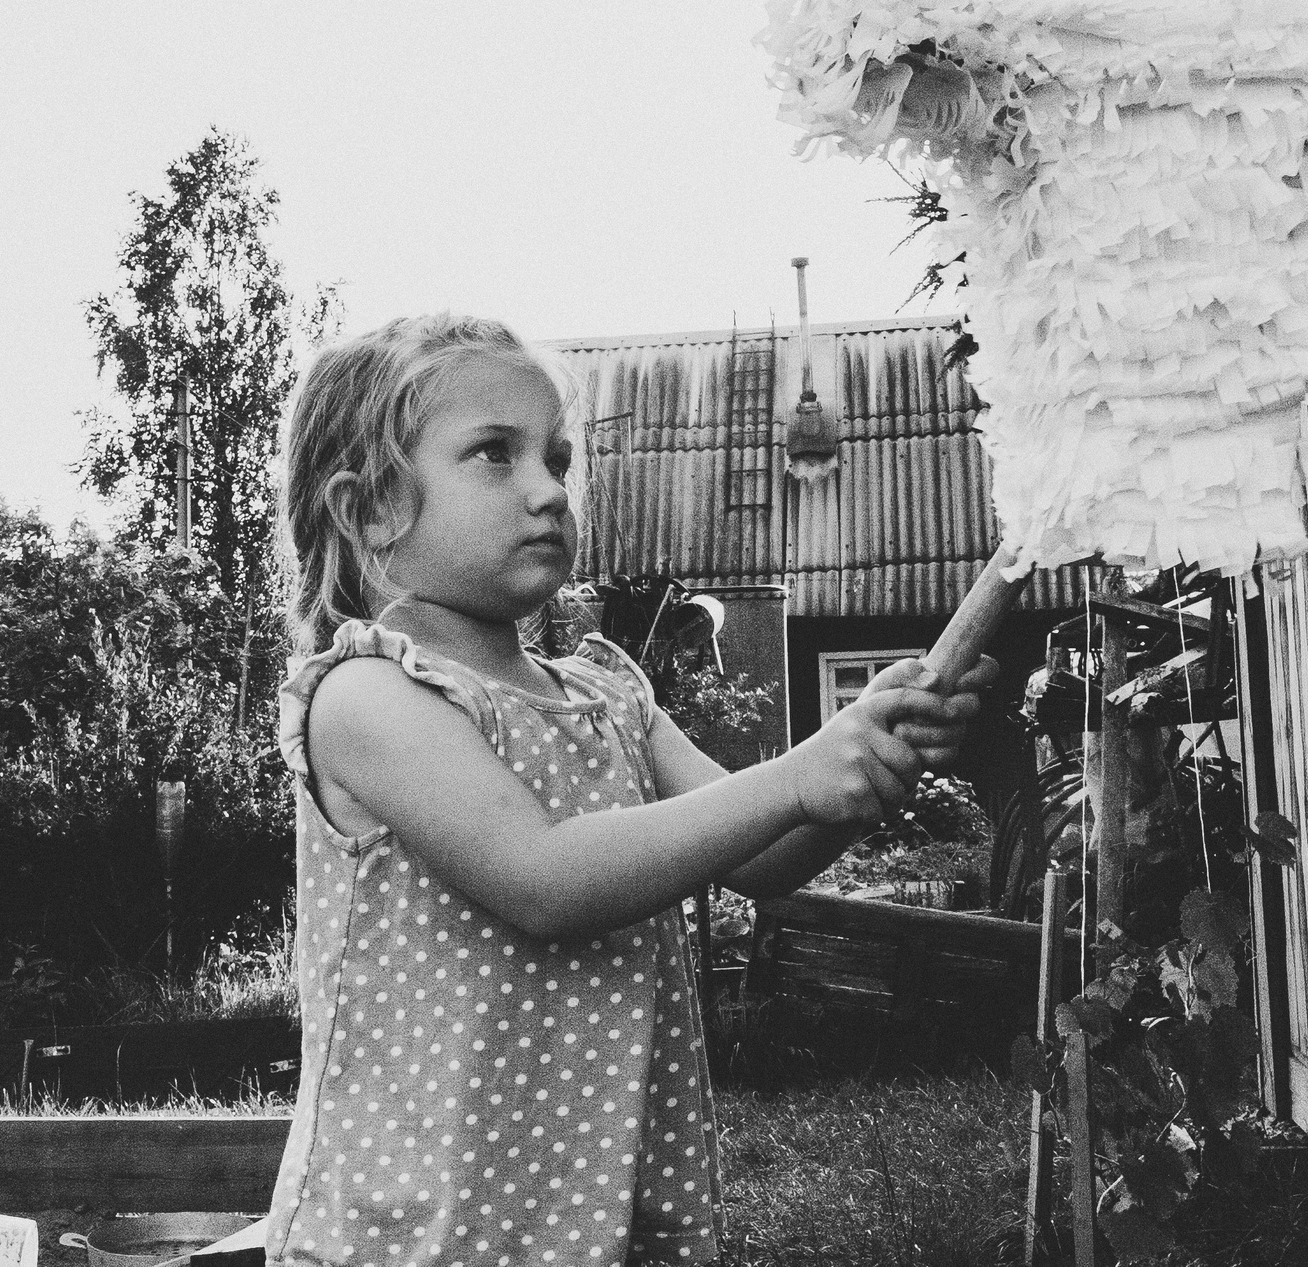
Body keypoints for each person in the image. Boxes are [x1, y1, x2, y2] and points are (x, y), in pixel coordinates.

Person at [261, 313, 990, 1266]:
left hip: (594, 1203)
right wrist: (798, 774)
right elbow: (545, 879)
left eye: (557, 458)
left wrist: (862, 763)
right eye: (494, 453)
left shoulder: (609, 697)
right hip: (426, 1223)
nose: (548, 490)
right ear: (368, 511)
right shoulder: (368, 696)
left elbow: (767, 853)